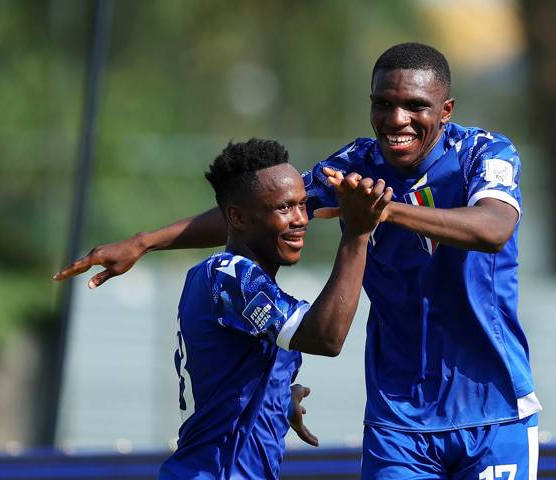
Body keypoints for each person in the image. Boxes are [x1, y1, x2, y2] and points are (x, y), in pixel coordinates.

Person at [56, 43, 541, 479]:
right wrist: (145, 241)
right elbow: (258, 208)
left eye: (415, 106)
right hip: (400, 417)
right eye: (383, 103)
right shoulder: (355, 166)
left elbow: (494, 229)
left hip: (495, 408)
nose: (396, 119)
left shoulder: (483, 153)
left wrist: (380, 211)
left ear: (446, 110)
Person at [148, 138, 391, 478]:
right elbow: (325, 337)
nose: (301, 219)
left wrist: (275, 399)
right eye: (283, 208)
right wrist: (357, 233)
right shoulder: (229, 276)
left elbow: (226, 377)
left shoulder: (239, 285)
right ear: (238, 217)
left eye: (304, 205)